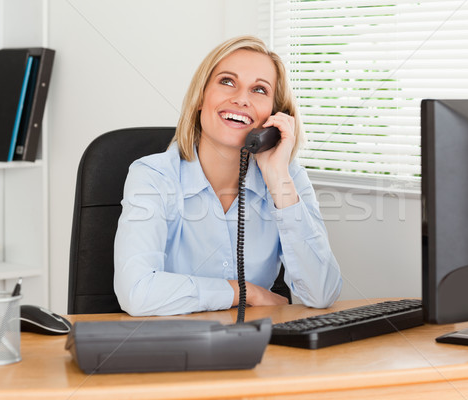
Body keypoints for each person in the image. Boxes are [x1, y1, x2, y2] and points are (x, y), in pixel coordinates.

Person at [113, 36, 342, 316]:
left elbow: (322, 293)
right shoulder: (152, 176)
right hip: (173, 346)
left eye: (259, 89)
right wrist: (246, 292)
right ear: (200, 97)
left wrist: (278, 178)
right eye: (227, 81)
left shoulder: (288, 178)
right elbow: (137, 293)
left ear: (273, 115)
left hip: (259, 348)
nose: (241, 99)